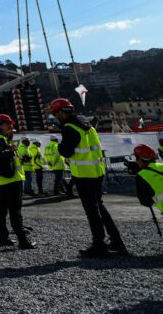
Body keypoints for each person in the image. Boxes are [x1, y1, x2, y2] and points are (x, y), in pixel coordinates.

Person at [50, 97, 128, 257]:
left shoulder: (69, 128)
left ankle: (99, 245)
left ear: (60, 112)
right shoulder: (87, 125)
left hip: (83, 174)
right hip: (97, 172)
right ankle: (116, 241)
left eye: (55, 114)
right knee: (100, 206)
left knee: (92, 211)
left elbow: (67, 151)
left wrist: (59, 146)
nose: (56, 117)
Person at [0, 114, 35, 249]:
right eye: (8, 124)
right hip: (11, 180)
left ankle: (4, 238)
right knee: (15, 210)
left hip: (2, 180)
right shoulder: (1, 139)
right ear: (1, 125)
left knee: (3, 209)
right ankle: (23, 241)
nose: (10, 127)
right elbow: (1, 154)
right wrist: (12, 151)